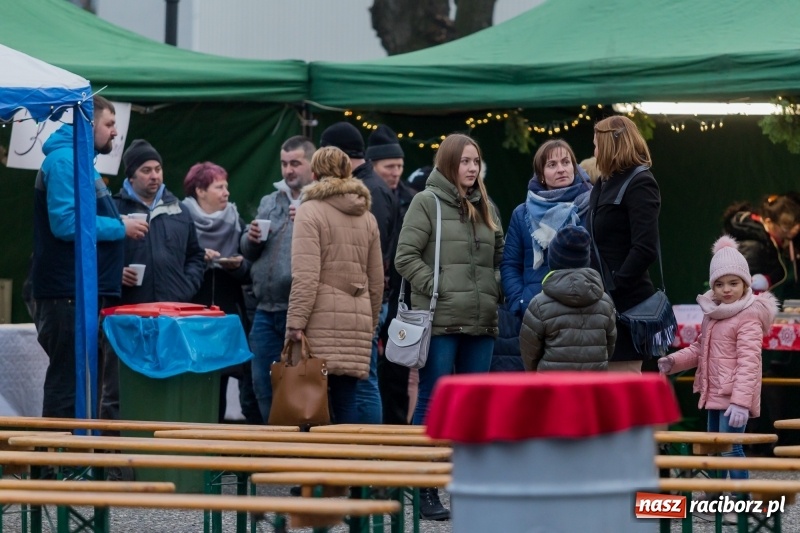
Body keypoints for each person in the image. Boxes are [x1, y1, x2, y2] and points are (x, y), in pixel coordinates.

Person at [394, 133, 504, 521]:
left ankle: (470, 490)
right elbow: (404, 257)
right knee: (433, 401)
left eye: (476, 161)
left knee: (474, 407)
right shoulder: (426, 203)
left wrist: (493, 289)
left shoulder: (487, 206)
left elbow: (499, 258)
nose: (472, 168)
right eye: (465, 161)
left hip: (480, 322)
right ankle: (426, 488)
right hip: (439, 322)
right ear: (448, 163)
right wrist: (438, 287)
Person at [32, 95, 147, 419]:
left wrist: (118, 224)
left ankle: (68, 464)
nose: (115, 133)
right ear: (89, 123)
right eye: (109, 124)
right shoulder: (66, 162)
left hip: (77, 290)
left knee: (76, 382)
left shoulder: (78, 160)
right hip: (67, 292)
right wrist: (120, 227)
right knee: (67, 384)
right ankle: (55, 467)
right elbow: (67, 223)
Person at [99, 139, 205, 423]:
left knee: (168, 389)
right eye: (146, 170)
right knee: (118, 393)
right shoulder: (111, 209)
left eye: (158, 168)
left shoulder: (179, 210)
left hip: (171, 318)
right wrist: (113, 275)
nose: (155, 175)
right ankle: (113, 464)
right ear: (131, 175)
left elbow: (195, 255)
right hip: (126, 316)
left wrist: (187, 285)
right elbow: (91, 256)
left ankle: (165, 459)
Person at [658, 236, 778, 483]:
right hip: (714, 392)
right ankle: (714, 495)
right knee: (715, 446)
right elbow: (701, 348)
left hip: (734, 396)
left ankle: (739, 503)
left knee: (730, 448)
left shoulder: (749, 316)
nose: (726, 289)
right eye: (720, 284)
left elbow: (750, 363)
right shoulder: (713, 313)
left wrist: (741, 402)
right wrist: (674, 362)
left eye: (733, 283)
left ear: (745, 284)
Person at [285, 146, 383, 424]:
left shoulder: (310, 211)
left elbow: (305, 275)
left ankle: (310, 465)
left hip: (318, 319)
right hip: (357, 320)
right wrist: (371, 324)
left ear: (314, 174)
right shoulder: (367, 216)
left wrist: (296, 323)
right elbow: (376, 281)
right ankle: (347, 463)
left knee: (308, 399)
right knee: (346, 399)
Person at [320, 122, 400, 424]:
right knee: (355, 382)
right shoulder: (369, 186)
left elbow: (370, 257)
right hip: (361, 299)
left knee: (362, 382)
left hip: (362, 300)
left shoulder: (369, 191)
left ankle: (366, 457)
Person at [242, 135, 315, 423]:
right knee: (262, 384)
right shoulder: (270, 200)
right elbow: (248, 252)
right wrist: (250, 239)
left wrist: (308, 219)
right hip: (264, 308)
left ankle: (299, 456)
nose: (288, 170)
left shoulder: (320, 201)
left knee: (298, 389)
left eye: (295, 163)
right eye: (284, 164)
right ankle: (272, 451)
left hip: (299, 311)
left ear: (312, 164)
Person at [182, 162, 261, 425]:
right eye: (219, 187)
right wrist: (198, 260)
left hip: (227, 315)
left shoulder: (236, 221)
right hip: (192, 315)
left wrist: (238, 266)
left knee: (223, 380)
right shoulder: (181, 220)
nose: (226, 192)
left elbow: (251, 269)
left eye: (226, 186)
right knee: (192, 385)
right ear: (200, 191)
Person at [587, 115, 661, 373]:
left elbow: (645, 248)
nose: (594, 151)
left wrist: (614, 286)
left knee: (624, 398)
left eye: (596, 144)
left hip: (627, 307)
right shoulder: (602, 184)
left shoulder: (641, 182)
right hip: (600, 306)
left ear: (608, 145)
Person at [501, 139, 593, 322]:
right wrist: (521, 302)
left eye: (566, 162)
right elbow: (510, 264)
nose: (561, 169)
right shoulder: (522, 214)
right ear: (541, 174)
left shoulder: (593, 206)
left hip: (586, 311)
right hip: (538, 313)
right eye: (552, 164)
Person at [367, 124, 416, 424]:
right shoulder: (366, 198)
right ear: (374, 165)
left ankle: (397, 430)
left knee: (398, 369)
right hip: (376, 292)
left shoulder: (413, 199)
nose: (396, 171)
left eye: (399, 165)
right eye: (389, 166)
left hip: (402, 296)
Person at [519, 225, 616, 371]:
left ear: (554, 260)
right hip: (592, 388)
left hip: (552, 390)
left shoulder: (539, 304)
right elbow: (610, 347)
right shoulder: (605, 302)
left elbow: (529, 352)